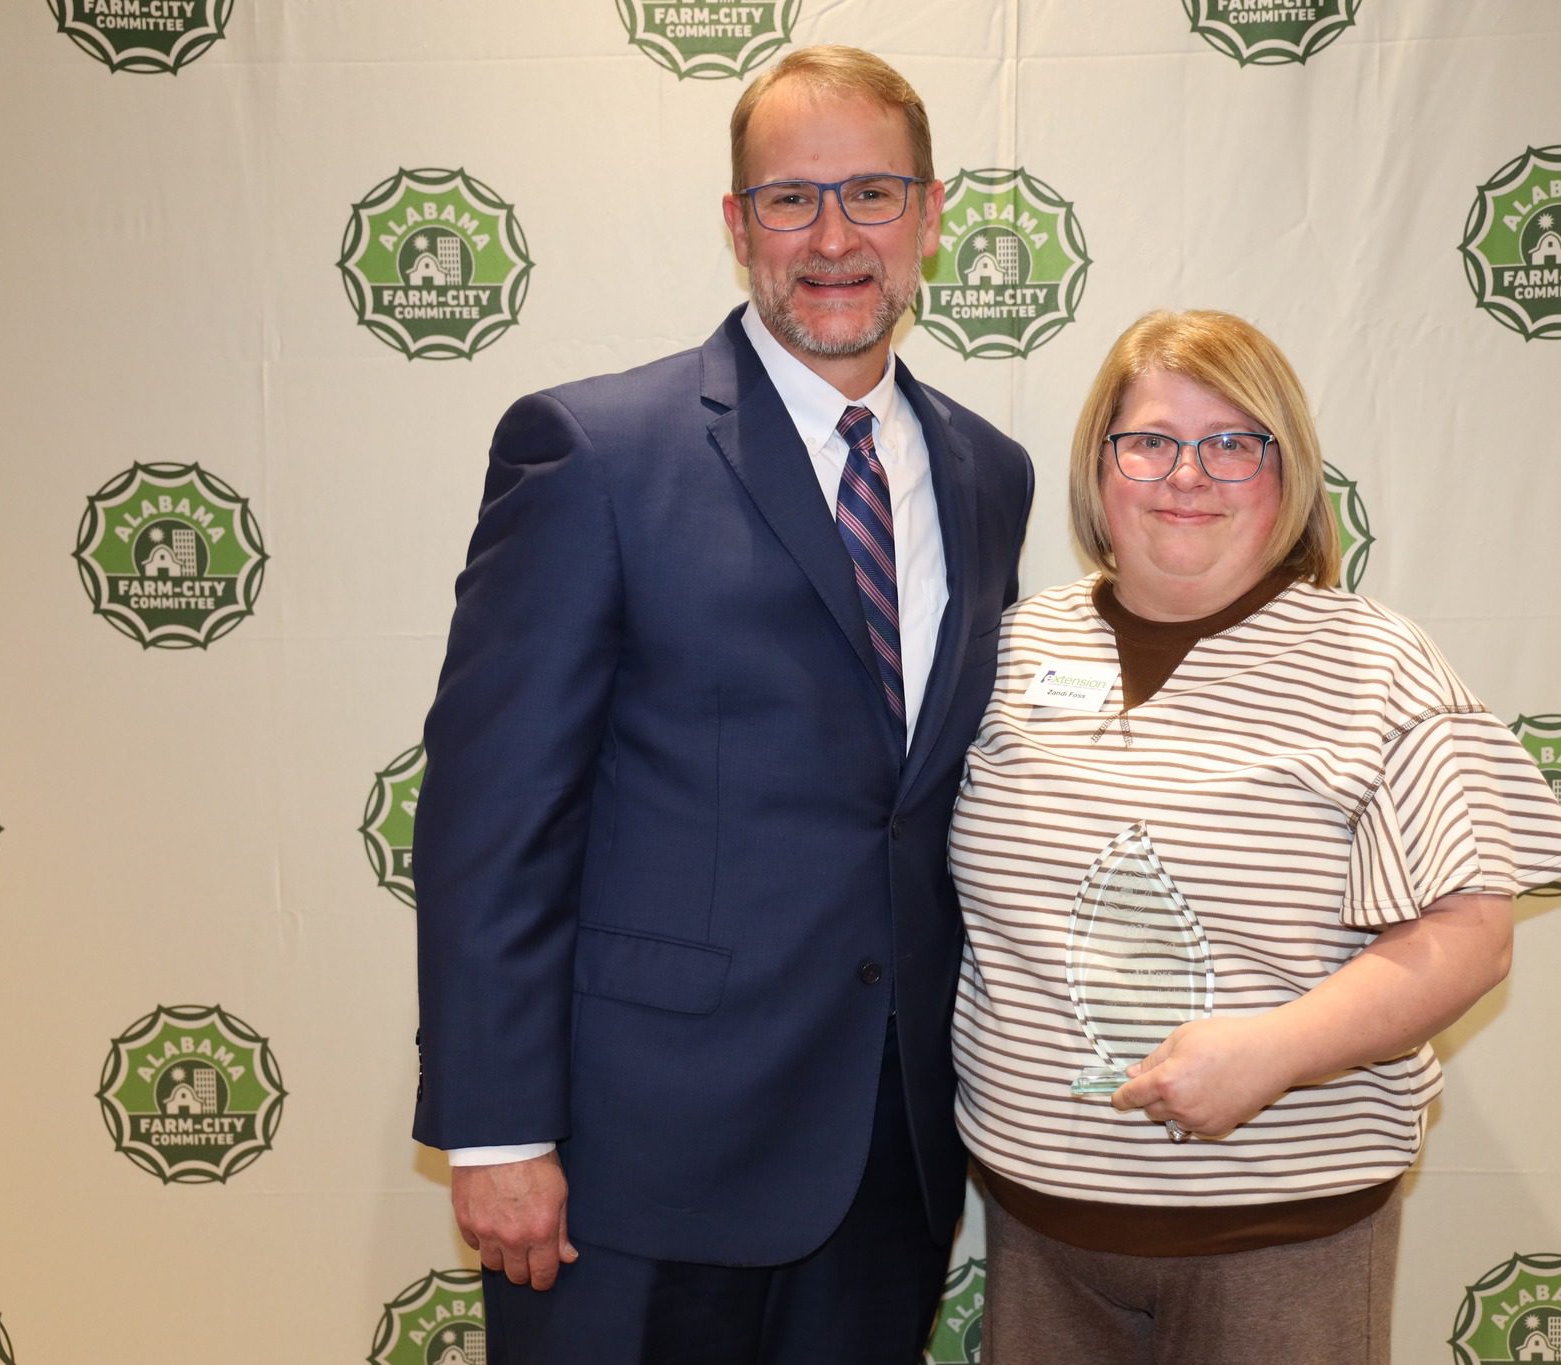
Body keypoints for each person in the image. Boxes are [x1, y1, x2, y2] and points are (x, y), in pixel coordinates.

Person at [411, 45, 1034, 1365]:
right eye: (789, 199)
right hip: (633, 1165)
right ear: (737, 226)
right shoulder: (592, 455)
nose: (831, 237)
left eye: (870, 193)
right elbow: (493, 814)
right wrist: (498, 1130)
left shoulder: (991, 474)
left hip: (888, 1155)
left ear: (929, 215)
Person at [947, 310, 1561, 1364]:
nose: (1184, 476)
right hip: (1039, 1231)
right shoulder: (1009, 648)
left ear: (1286, 472)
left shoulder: (1378, 666)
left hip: (1282, 1237)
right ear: (1096, 469)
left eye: (1232, 444)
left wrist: (1271, 1053)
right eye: (1148, 441)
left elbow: (1471, 938)